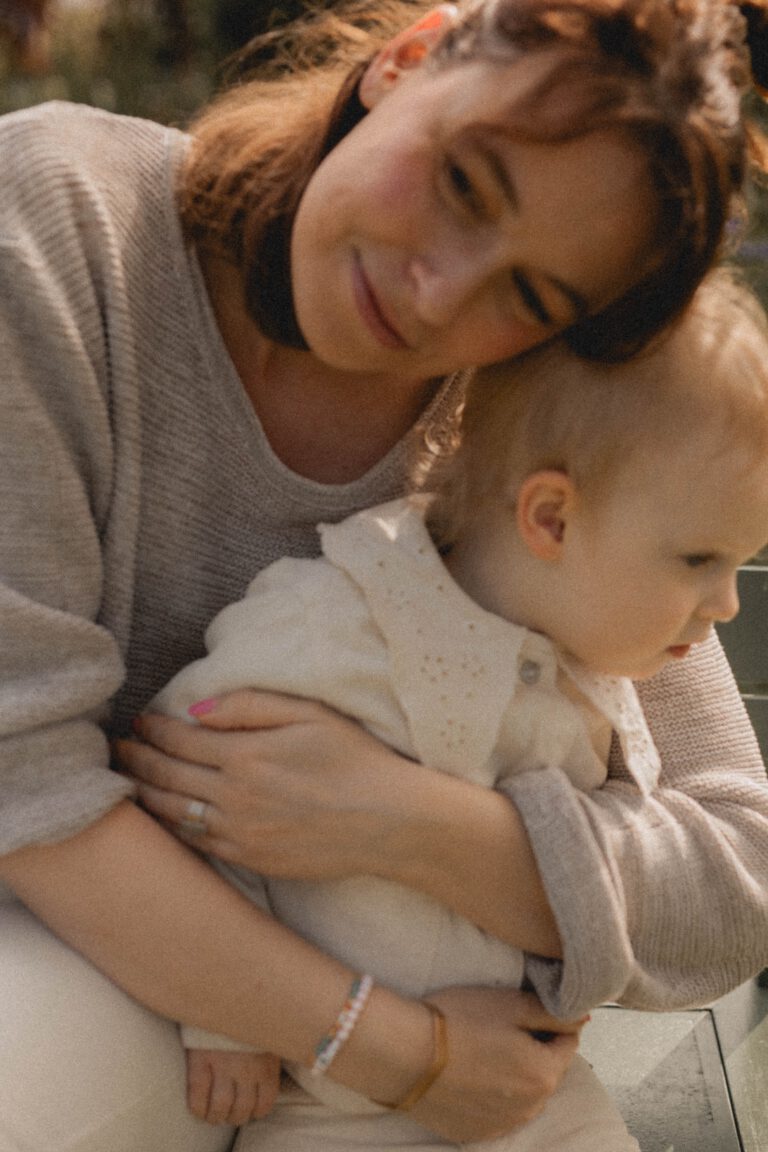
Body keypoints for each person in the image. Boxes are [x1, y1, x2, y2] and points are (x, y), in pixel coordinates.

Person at [0, 0, 767, 1148]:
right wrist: (397, 1053)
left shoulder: (526, 428)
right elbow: (24, 780)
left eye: (530, 296)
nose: (440, 293)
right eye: (465, 185)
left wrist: (404, 826)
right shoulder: (60, 221)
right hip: (72, 964)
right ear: (409, 60)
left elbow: (733, 879)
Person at [149, 271, 768, 1151]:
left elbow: (701, 864)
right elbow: (186, 781)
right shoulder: (342, 623)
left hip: (529, 1094)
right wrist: (226, 1024)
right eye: (701, 559)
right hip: (322, 1101)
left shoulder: (592, 655)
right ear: (549, 519)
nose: (726, 605)